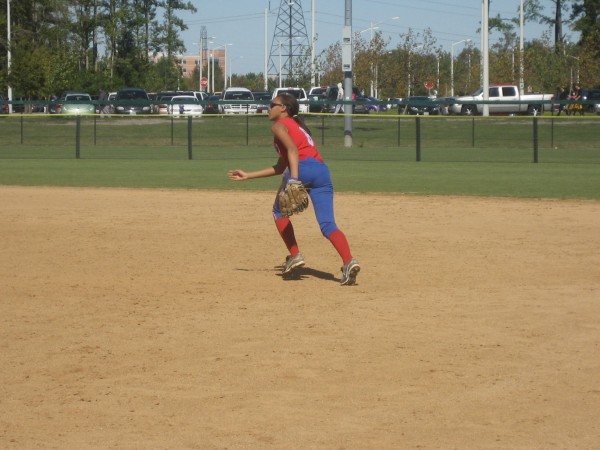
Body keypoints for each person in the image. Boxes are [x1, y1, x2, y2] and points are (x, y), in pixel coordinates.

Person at [227, 92, 360, 285]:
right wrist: (248, 175)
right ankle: (349, 261)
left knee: (278, 212)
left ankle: (295, 255)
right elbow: (281, 166)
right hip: (321, 171)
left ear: (283, 108)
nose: (268, 107)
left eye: (272, 104)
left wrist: (294, 179)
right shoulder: (297, 125)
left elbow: (293, 152)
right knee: (327, 225)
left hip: (302, 168)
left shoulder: (279, 125)